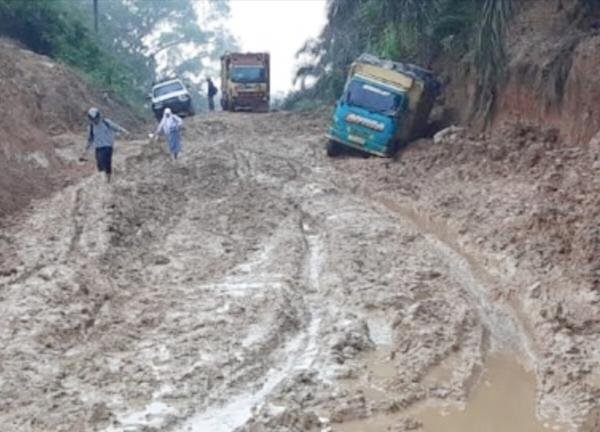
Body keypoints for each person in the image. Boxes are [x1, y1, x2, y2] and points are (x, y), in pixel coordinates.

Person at [84, 107, 129, 183]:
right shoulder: (91, 127)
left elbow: (116, 127)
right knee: (100, 164)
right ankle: (103, 180)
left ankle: (108, 180)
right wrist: (86, 149)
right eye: (92, 119)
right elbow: (90, 139)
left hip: (108, 146)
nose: (94, 120)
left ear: (98, 116)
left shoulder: (106, 122)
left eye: (95, 118)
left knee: (107, 162)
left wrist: (125, 132)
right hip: (98, 148)